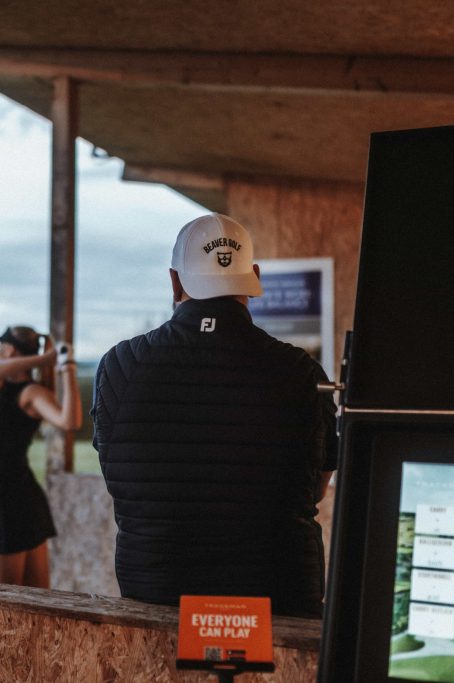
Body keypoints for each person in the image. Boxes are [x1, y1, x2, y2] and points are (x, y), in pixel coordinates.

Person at [92, 213, 337, 617]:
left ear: (175, 282)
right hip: (278, 602)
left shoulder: (118, 366)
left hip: (156, 600)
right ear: (254, 276)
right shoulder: (302, 372)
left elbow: (121, 476)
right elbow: (316, 486)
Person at [0, 326, 82, 587]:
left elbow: (69, 421)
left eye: (0, 347)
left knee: (7, 604)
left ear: (10, 350)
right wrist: (47, 359)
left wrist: (67, 367)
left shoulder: (32, 393)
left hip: (10, 501)